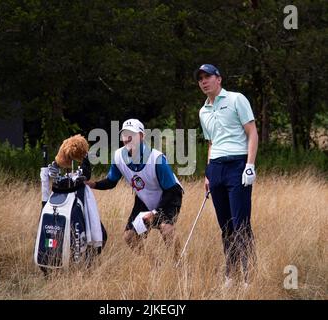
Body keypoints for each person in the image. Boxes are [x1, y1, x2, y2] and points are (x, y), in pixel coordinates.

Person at [195, 64, 258, 286]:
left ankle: (248, 275)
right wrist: (207, 173)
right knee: (226, 225)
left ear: (218, 79)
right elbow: (212, 142)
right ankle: (231, 274)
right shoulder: (203, 111)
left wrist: (250, 165)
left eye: (208, 77)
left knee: (241, 222)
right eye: (200, 78)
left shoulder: (236, 99)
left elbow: (252, 132)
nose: (204, 81)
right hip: (216, 169)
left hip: (237, 165)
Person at [85, 119, 183, 259]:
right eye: (124, 134)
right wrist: (92, 184)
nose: (127, 138)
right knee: (129, 236)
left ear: (141, 136)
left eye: (132, 134)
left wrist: (154, 212)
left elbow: (171, 190)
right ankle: (155, 264)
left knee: (166, 229)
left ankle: (178, 264)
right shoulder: (119, 156)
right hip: (144, 198)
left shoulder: (157, 159)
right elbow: (111, 181)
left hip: (168, 196)